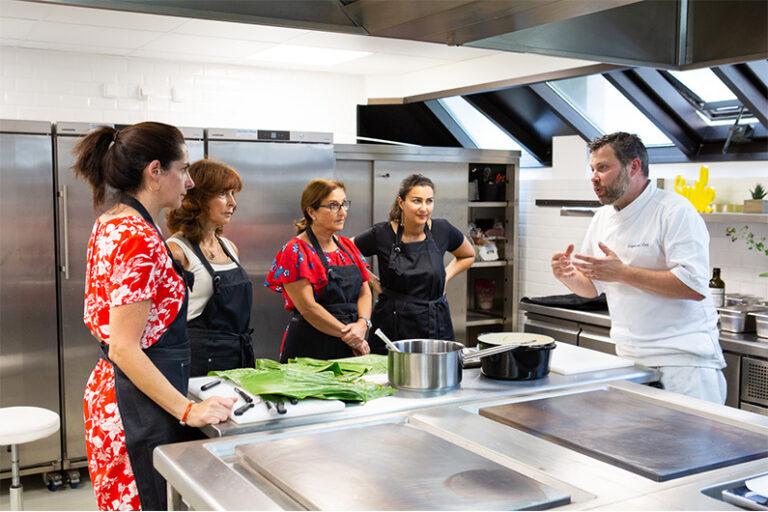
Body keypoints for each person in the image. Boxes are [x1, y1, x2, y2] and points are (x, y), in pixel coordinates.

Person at [74, 122, 236, 511]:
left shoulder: (113, 221)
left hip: (117, 393)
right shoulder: (139, 238)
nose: (190, 182)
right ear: (155, 171)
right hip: (132, 403)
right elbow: (124, 348)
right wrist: (188, 410)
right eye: (184, 169)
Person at [551, 132, 726, 403]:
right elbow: (592, 287)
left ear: (634, 166)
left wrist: (622, 273)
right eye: (592, 169)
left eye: (603, 168)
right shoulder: (602, 218)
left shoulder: (674, 211)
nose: (594, 177)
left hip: (683, 364)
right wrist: (568, 276)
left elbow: (693, 286)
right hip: (630, 359)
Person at [354, 174, 475, 352]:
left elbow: (468, 255)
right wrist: (372, 281)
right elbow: (345, 252)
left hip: (436, 322)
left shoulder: (442, 229)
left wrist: (445, 276)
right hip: (393, 323)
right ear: (401, 202)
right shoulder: (381, 234)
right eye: (417, 201)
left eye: (429, 201)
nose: (424, 208)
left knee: (437, 369)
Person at [266, 179, 372, 362]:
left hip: (350, 342)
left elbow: (365, 290)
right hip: (311, 347)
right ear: (312, 212)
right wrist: (350, 335)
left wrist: (362, 324)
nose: (343, 212)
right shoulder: (295, 251)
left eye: (344, 204)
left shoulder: (347, 246)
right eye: (333, 205)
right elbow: (309, 308)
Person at [166, 160, 254, 377]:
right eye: (223, 194)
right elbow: (163, 321)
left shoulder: (230, 248)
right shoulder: (177, 251)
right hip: (199, 363)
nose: (233, 203)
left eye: (233, 194)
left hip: (237, 358)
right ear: (198, 199)